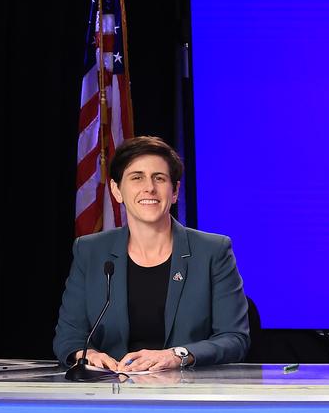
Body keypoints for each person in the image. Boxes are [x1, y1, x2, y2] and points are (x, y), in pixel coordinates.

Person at [53, 136, 250, 371]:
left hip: (190, 393)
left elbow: (235, 338)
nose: (149, 187)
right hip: (111, 392)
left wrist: (178, 355)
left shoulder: (213, 251)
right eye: (137, 178)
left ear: (175, 191)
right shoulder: (90, 251)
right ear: (117, 190)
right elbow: (68, 336)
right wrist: (88, 356)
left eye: (159, 178)